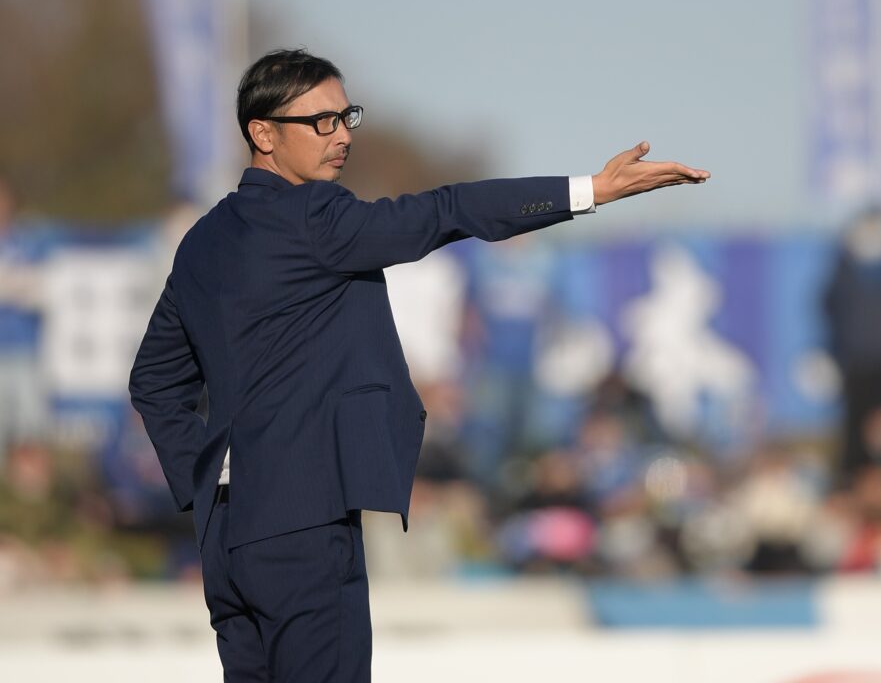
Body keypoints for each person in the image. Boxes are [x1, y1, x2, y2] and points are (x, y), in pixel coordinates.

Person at [128, 47, 709, 681]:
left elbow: (153, 381)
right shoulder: (315, 217)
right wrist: (590, 190)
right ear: (262, 134)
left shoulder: (202, 241)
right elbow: (446, 211)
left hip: (226, 536)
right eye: (320, 121)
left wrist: (207, 481)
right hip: (304, 527)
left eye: (346, 116)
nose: (342, 135)